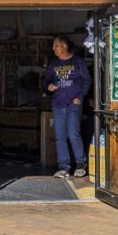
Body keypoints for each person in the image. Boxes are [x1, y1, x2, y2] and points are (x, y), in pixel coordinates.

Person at [43, 36, 91, 179]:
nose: (53, 48)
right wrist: (48, 86)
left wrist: (81, 97)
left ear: (64, 46)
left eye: (55, 46)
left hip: (73, 104)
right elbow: (46, 81)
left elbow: (87, 80)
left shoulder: (77, 61)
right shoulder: (53, 64)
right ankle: (63, 167)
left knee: (73, 134)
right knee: (60, 136)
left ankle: (81, 164)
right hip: (58, 104)